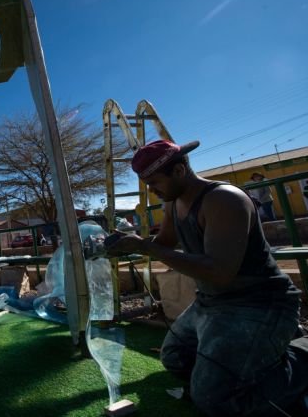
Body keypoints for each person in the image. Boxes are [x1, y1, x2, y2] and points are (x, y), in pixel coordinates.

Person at [106, 139, 308, 416]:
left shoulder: (225, 199)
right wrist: (126, 245)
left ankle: (302, 354)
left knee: (216, 399)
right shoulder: (173, 202)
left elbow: (220, 272)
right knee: (177, 359)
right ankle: (266, 351)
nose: (151, 191)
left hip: (259, 303)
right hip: (212, 303)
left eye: (154, 182)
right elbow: (164, 243)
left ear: (178, 171)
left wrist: (144, 246)